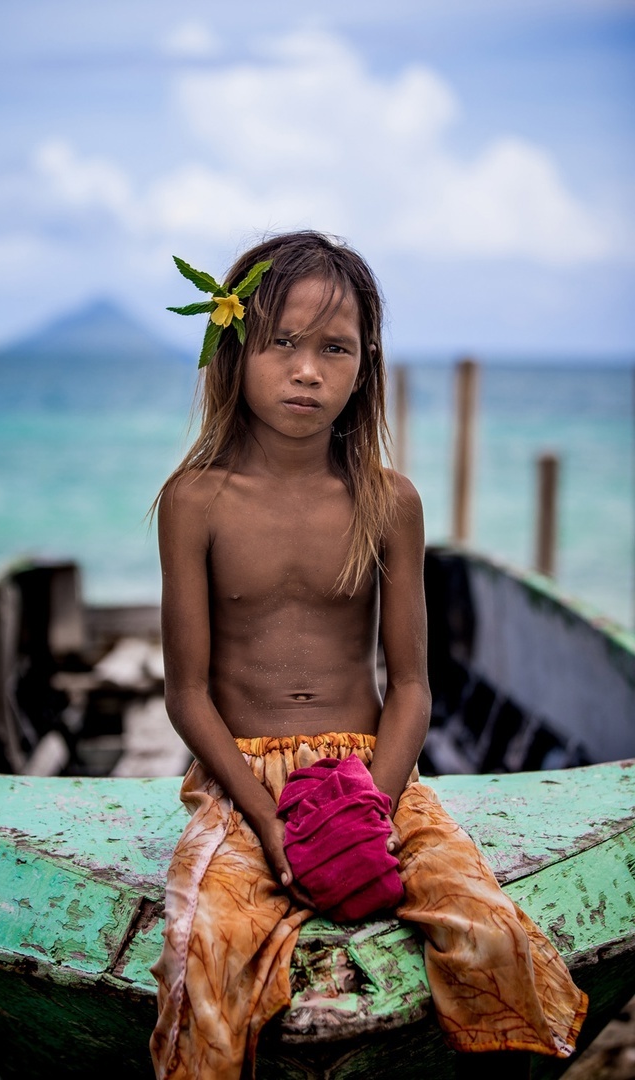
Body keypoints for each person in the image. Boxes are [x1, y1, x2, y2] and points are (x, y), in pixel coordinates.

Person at [149, 231, 587, 1080]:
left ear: (365, 366)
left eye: (334, 348)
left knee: (490, 931)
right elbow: (187, 694)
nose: (306, 369)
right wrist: (274, 825)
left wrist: (371, 813)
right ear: (234, 352)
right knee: (204, 948)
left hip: (371, 774)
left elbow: (414, 685)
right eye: (281, 343)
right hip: (242, 781)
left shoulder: (389, 502)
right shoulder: (194, 499)